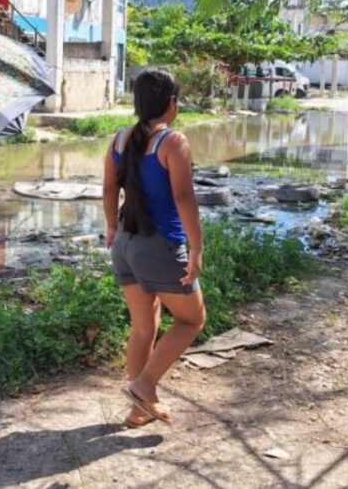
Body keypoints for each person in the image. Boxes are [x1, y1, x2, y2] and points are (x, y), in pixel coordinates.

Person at [102, 69, 207, 427]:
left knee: (144, 326)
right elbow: (183, 198)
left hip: (125, 246)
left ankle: (138, 409)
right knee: (192, 319)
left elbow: (107, 189)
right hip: (161, 246)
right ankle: (143, 385)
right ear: (172, 104)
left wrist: (112, 227)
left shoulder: (119, 139)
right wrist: (197, 248)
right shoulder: (172, 142)